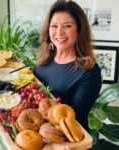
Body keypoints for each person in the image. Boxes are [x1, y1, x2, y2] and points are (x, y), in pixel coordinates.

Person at [34, 0, 102, 134]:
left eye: (67, 26)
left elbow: (73, 120)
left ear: (79, 29)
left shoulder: (89, 71)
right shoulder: (43, 60)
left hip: (69, 142)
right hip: (39, 136)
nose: (59, 32)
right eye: (54, 26)